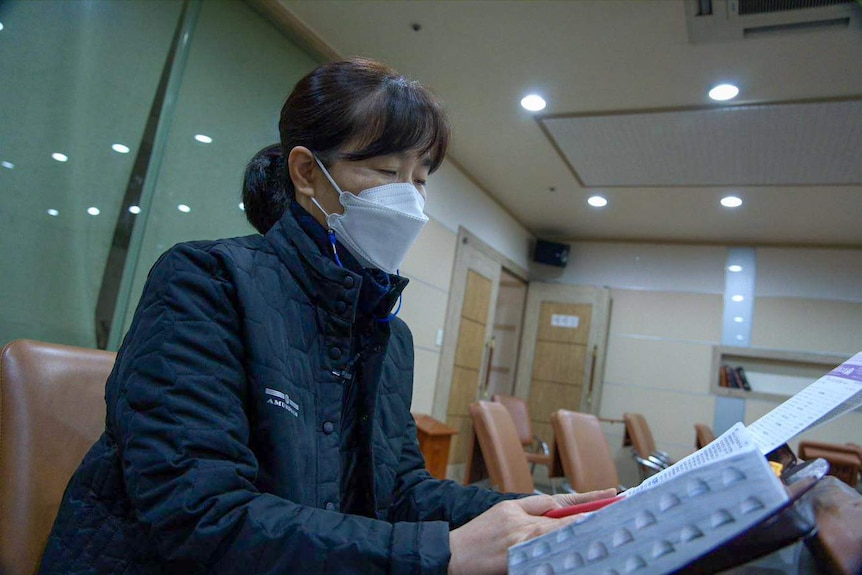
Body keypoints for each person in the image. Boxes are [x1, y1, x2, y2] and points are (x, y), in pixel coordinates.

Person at [40, 57, 613, 575]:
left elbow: (398, 492)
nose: (408, 201)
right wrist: (446, 554)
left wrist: (532, 513)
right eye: (387, 172)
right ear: (308, 173)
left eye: (419, 180)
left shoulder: (389, 334)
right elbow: (200, 514)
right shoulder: (207, 281)